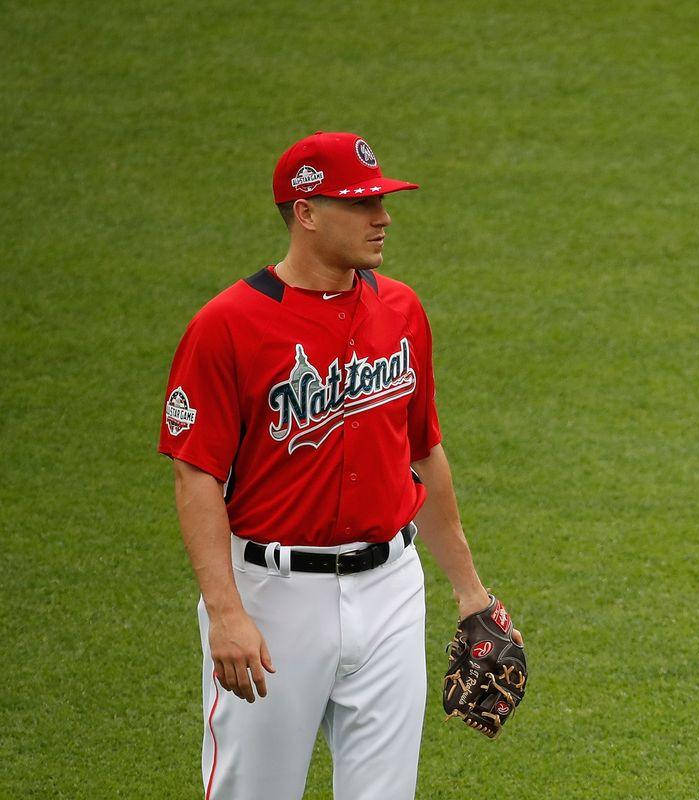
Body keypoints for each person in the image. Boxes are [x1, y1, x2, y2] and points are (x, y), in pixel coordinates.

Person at [159, 131, 518, 799]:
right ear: (305, 211)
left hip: (391, 589)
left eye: (381, 200)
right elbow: (195, 474)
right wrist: (225, 611)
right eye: (361, 204)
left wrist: (471, 593)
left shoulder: (402, 309)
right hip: (272, 598)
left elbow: (424, 450)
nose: (382, 218)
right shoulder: (227, 325)